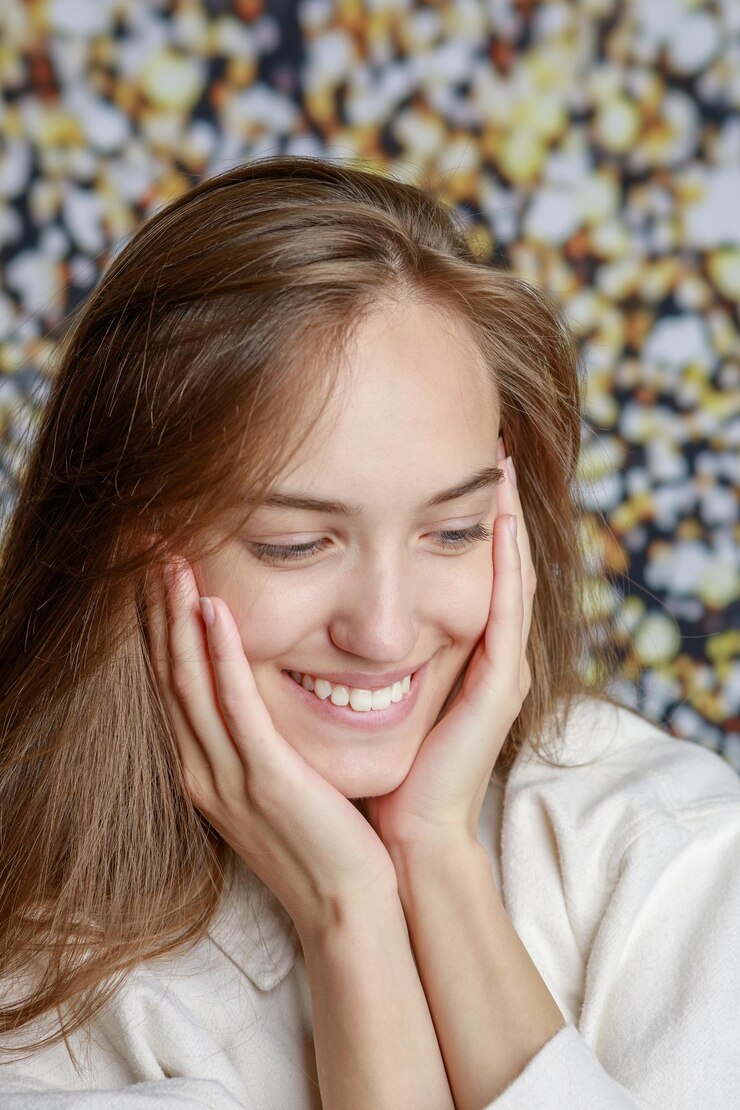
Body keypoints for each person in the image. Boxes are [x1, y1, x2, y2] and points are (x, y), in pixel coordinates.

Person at [0, 155, 737, 1110]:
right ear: (126, 544)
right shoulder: (40, 996)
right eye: (296, 544)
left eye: (455, 530)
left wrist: (437, 856)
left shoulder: (669, 851)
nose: (386, 635)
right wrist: (351, 915)